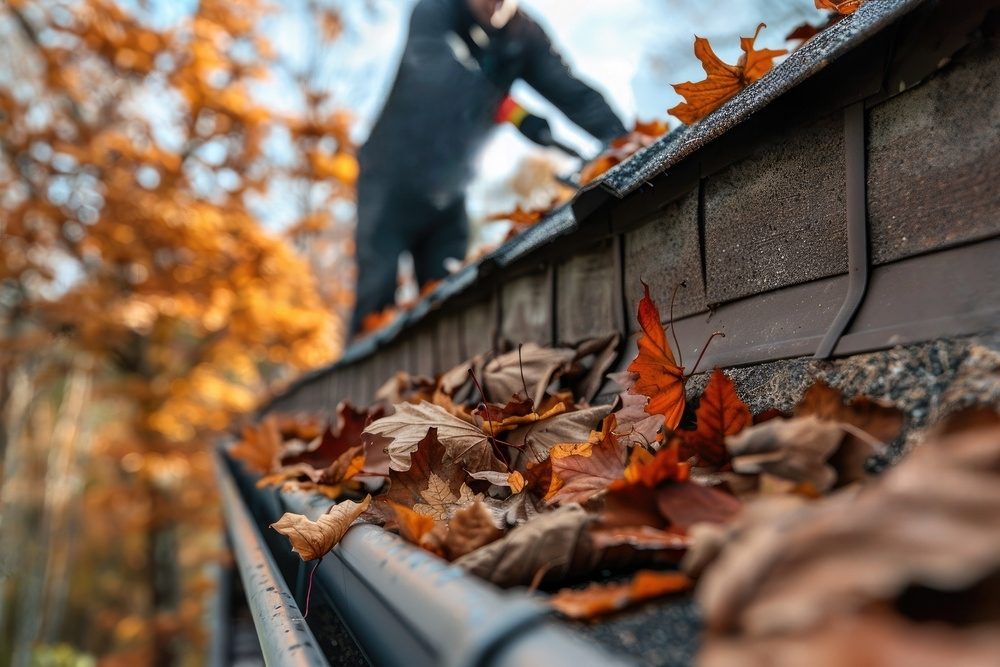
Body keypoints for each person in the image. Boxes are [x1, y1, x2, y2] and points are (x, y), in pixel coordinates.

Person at [350, 0, 626, 335]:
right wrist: (512, 111)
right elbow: (439, 73)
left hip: (450, 191)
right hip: (389, 181)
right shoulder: (434, 11)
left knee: (446, 300)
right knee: (376, 295)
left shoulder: (523, 35)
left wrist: (623, 142)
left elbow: (573, 93)